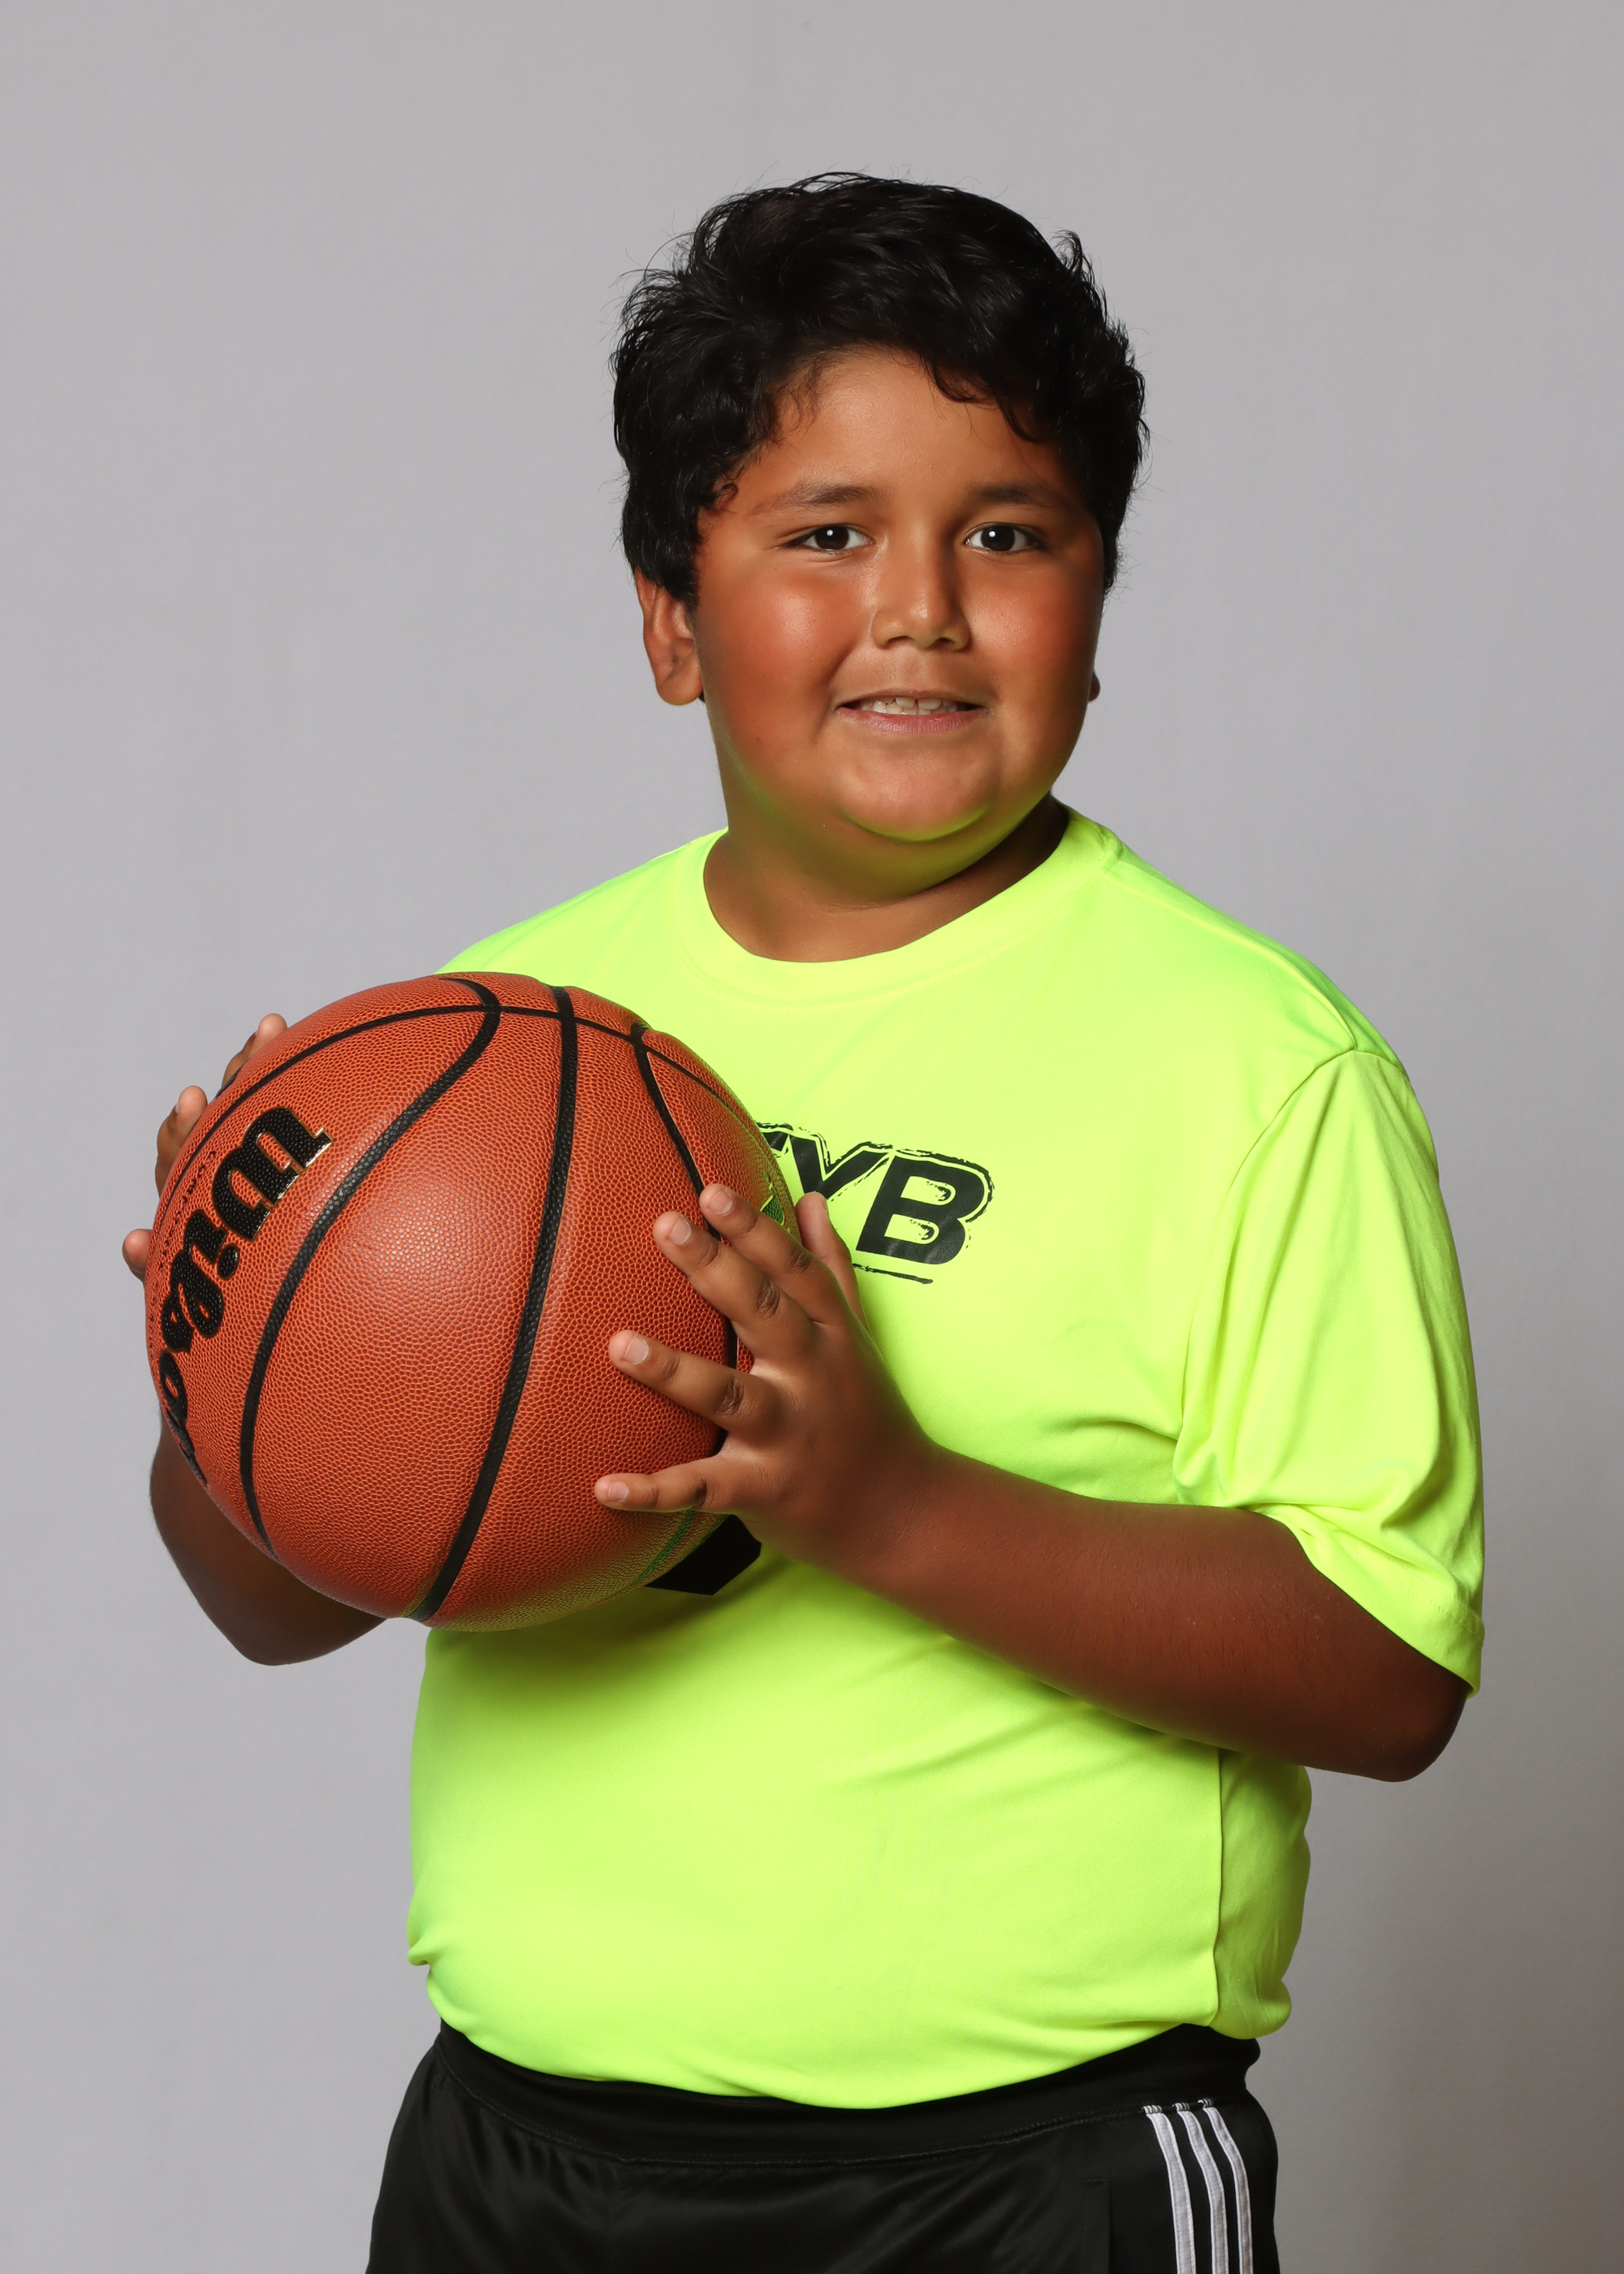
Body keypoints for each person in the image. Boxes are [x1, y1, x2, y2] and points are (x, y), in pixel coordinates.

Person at [123, 175, 1484, 2272]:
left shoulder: (1251, 1066)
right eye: (827, 534)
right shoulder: (500, 1041)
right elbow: (279, 1600)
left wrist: (890, 1504)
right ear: (673, 620)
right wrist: (232, 1358)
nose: (920, 607)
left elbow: (1389, 1675)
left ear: (1100, 601)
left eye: (1007, 535)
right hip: (521, 2153)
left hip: (1029, 2171)